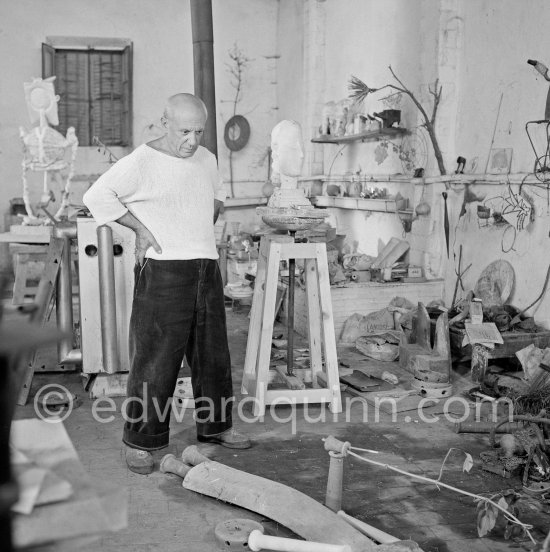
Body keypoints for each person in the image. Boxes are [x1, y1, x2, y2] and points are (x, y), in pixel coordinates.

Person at [84, 93, 251, 475]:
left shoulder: (206, 159)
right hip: (163, 272)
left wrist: (198, 233)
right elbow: (96, 196)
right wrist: (140, 228)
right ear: (164, 122)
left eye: (198, 131)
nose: (192, 140)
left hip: (206, 268)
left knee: (213, 356)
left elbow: (216, 197)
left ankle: (216, 427)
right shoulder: (142, 161)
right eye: (184, 131)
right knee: (156, 362)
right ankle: (142, 441)